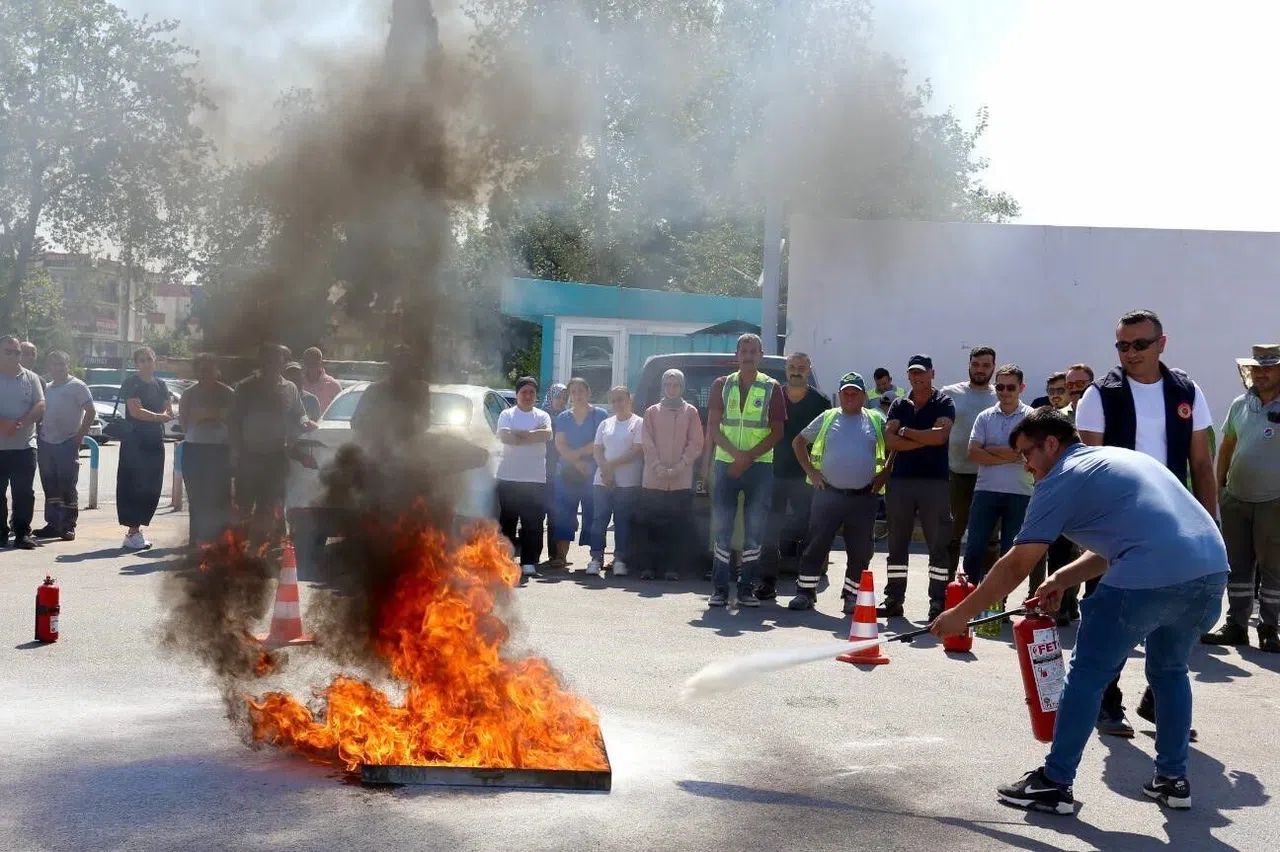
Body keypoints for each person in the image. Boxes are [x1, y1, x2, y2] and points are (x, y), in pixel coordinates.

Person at [930, 408, 1228, 815]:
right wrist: (1061, 579)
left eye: (1025, 454)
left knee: (1087, 675)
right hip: (1209, 576)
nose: (1025, 465)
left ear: (1051, 444)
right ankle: (1172, 780)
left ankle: (1055, 782)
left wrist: (962, 614)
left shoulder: (1061, 478)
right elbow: (1122, 543)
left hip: (1148, 577)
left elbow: (1018, 562)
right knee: (1170, 671)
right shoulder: (1121, 460)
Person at [1075, 309, 1216, 738]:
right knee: (1111, 614)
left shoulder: (1186, 390)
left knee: (1171, 612)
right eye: (1122, 345)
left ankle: (1158, 702)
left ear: (1161, 343)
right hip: (1118, 524)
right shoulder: (1100, 395)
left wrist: (1210, 525)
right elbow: (1087, 467)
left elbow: (1202, 463)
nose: (1130, 353)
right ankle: (1106, 701)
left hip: (1175, 523)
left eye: (1140, 344)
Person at [1202, 343, 1280, 653]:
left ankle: (1270, 627)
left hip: (1274, 500)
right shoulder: (1240, 404)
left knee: (1273, 566)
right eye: (1257, 367)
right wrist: (1220, 487)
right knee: (1237, 565)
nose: (1261, 373)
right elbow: (1227, 446)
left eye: (1269, 367)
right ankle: (1236, 624)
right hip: (1236, 497)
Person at [788, 372, 889, 612]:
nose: (850, 396)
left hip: (864, 496)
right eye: (846, 392)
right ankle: (805, 593)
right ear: (840, 395)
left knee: (860, 550)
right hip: (828, 495)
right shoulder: (828, 417)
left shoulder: (876, 419)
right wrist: (812, 473)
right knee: (816, 545)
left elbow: (894, 447)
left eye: (855, 392)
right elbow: (798, 442)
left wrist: (886, 472)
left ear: (864, 395)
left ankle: (851, 596)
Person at [705, 333, 786, 608]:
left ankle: (746, 589)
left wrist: (747, 457)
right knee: (723, 528)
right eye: (744, 350)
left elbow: (778, 432)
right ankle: (718, 589)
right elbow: (714, 427)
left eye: (753, 351)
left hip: (759, 467)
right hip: (726, 463)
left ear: (761, 355)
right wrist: (736, 456)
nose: (748, 355)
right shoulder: (721, 385)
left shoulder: (772, 387)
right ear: (737, 355)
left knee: (754, 530)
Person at [880, 354, 956, 620]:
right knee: (897, 543)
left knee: (937, 544)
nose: (917, 377)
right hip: (901, 482)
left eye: (922, 372)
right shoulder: (899, 404)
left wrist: (907, 432)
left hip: (934, 482)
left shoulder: (944, 402)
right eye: (913, 373)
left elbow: (941, 437)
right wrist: (926, 438)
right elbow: (890, 441)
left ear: (932, 374)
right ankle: (893, 599)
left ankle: (937, 601)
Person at [760, 352, 830, 600]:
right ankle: (767, 582)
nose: (796, 371)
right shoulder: (772, 396)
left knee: (808, 532)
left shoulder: (821, 401)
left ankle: (806, 587)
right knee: (770, 531)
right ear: (786, 370)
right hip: (773, 474)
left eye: (801, 367)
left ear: (809, 370)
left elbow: (826, 440)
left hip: (807, 478)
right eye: (792, 367)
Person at [229, 344, 314, 541]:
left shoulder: (289, 388)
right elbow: (233, 421)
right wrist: (234, 450)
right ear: (262, 362)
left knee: (270, 504)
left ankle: (262, 546)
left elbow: (299, 414)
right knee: (244, 503)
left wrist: (306, 422)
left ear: (283, 362)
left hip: (276, 456)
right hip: (249, 455)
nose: (274, 364)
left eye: (279, 360)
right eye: (270, 360)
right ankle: (238, 547)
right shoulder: (246, 387)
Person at [961, 365, 1034, 584]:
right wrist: (1012, 454)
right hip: (986, 492)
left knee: (1010, 553)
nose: (1004, 392)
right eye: (1000, 386)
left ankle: (998, 604)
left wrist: (990, 449)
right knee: (974, 549)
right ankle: (970, 598)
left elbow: (1028, 453)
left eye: (1010, 387)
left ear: (1021, 388)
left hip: (1020, 493)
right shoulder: (985, 417)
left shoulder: (1031, 418)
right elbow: (973, 452)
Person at [637, 369, 703, 581]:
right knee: (652, 525)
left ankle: (672, 568)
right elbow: (646, 441)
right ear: (663, 387)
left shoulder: (690, 411)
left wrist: (680, 466)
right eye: (668, 385)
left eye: (676, 385)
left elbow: (696, 442)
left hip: (680, 479)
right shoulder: (651, 412)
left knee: (678, 525)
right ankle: (649, 567)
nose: (672, 389)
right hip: (653, 479)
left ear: (682, 387)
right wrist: (657, 466)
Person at [941, 346, 998, 588]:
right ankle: (943, 590)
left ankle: (986, 592)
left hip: (990, 476)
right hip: (956, 475)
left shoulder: (1001, 394)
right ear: (969, 365)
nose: (980, 370)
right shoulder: (950, 393)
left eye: (986, 365)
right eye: (976, 364)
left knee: (989, 540)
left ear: (993, 367)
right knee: (952, 536)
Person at [33, 351, 93, 541]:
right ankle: (53, 524)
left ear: (68, 365)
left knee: (67, 485)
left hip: (68, 443)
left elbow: (90, 411)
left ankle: (68, 526)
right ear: (49, 367)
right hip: (46, 443)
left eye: (61, 364)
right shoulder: (46, 388)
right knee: (50, 486)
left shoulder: (78, 386)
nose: (57, 367)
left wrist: (80, 435)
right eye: (53, 364)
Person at [496, 377, 553, 576]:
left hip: (535, 478)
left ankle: (529, 562)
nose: (528, 396)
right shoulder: (507, 414)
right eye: (524, 392)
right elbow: (504, 436)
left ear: (536, 395)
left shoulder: (543, 415)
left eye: (531, 392)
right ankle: (505, 561)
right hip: (509, 477)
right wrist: (530, 435)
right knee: (508, 521)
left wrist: (519, 434)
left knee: (533, 522)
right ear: (517, 394)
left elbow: (545, 435)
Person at [550, 377, 608, 570]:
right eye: (573, 392)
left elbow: (599, 443)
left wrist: (579, 456)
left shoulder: (600, 415)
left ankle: (596, 557)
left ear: (589, 392)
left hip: (593, 473)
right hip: (567, 474)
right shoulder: (564, 417)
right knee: (564, 513)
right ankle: (561, 556)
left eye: (581, 391)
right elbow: (559, 444)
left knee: (594, 514)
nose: (577, 395)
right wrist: (576, 461)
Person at [117, 347, 172, 551]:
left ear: (155, 361)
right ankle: (132, 531)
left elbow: (168, 410)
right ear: (136, 363)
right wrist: (158, 416)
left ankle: (138, 530)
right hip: (134, 441)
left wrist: (158, 416)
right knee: (132, 484)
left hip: (155, 440)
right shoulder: (132, 383)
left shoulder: (161, 384)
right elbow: (136, 412)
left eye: (149, 359)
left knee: (151, 485)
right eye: (142, 360)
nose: (146, 363)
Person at [587, 386, 644, 577]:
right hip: (602, 480)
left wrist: (611, 465)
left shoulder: (638, 423)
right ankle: (596, 558)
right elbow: (597, 449)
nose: (617, 404)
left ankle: (620, 559)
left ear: (629, 400)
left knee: (622, 522)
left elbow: (637, 450)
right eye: (614, 400)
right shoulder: (605, 424)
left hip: (627, 483)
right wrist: (605, 468)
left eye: (621, 399)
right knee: (598, 521)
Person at [179, 353, 234, 546]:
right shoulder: (189, 394)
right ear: (197, 372)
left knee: (221, 497)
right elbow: (184, 423)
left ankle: (222, 542)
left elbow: (234, 423)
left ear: (217, 371)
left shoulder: (228, 394)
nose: (206, 374)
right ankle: (197, 540)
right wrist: (210, 420)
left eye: (210, 369)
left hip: (220, 451)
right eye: (202, 370)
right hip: (195, 450)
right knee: (197, 498)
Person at [0, 335, 45, 549]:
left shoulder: (31, 377)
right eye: (8, 351)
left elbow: (40, 404)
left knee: (24, 493)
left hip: (25, 447)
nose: (13, 356)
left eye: (16, 352)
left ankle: (21, 532)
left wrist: (20, 424)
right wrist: (3, 424)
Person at [543, 383, 569, 555]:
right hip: (540, 471)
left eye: (564, 398)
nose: (561, 401)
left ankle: (554, 555)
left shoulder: (567, 418)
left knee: (555, 514)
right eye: (558, 397)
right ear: (551, 397)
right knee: (536, 515)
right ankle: (532, 555)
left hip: (559, 473)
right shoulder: (541, 417)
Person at [300, 347, 342, 413]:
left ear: (321, 363)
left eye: (314, 364)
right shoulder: (299, 383)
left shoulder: (333, 385)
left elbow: (340, 410)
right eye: (308, 364)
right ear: (304, 364)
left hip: (324, 423)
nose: (311, 367)